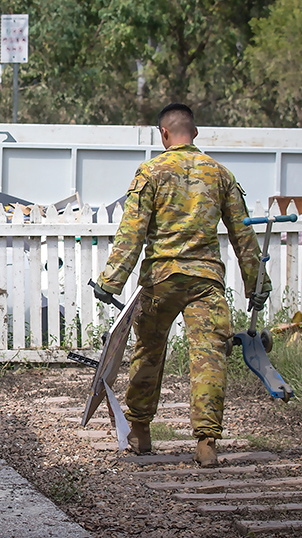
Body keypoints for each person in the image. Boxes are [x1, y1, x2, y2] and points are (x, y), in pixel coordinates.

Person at [92, 103, 270, 468]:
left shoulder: (151, 172)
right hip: (206, 280)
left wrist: (111, 281)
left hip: (161, 280)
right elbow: (244, 236)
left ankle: (139, 433)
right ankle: (207, 443)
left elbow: (132, 233)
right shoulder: (220, 175)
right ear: (196, 132)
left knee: (149, 353)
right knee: (208, 357)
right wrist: (256, 284)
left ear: (164, 134)